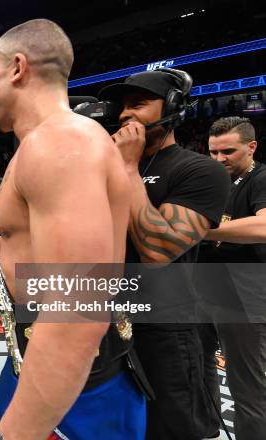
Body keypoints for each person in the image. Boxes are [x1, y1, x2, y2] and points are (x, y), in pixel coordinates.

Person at [0, 19, 145, 440]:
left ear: (17, 68)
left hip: (75, 390)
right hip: (42, 367)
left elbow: (78, 311)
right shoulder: (50, 143)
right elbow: (34, 251)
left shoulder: (59, 144)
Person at [98, 69, 230, 440]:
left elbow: (158, 250)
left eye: (138, 104)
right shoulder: (103, 170)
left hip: (167, 331)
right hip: (106, 325)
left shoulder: (200, 170)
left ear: (172, 107)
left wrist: (126, 167)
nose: (125, 115)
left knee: (172, 431)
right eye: (122, 107)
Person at [194, 116, 266, 440]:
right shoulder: (213, 181)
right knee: (197, 366)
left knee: (246, 389)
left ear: (251, 147)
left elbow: (264, 227)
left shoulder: (261, 178)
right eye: (213, 152)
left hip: (245, 296)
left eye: (228, 152)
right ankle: (208, 428)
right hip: (205, 288)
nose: (220, 159)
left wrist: (203, 231)